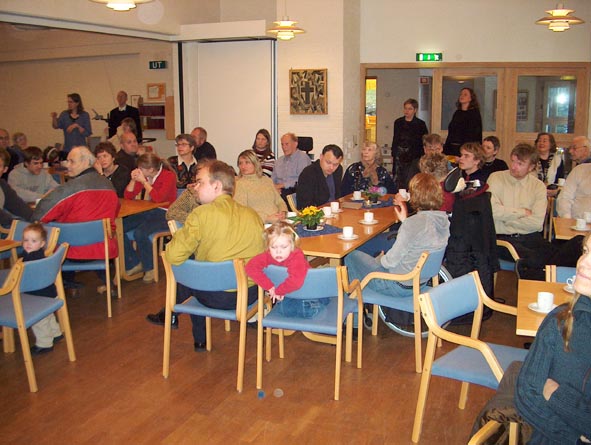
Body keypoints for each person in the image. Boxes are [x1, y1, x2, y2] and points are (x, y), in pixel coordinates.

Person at [146, 160, 264, 350]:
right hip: (249, 294)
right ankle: (176, 319)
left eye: (200, 182)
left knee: (191, 271)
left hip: (215, 296)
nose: (195, 187)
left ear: (216, 186)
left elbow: (172, 256)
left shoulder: (200, 214)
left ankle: (187, 327)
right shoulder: (253, 215)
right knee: (197, 270)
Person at [515, 233, 591, 445]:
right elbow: (527, 392)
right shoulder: (562, 321)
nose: (582, 262)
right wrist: (574, 438)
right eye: (585, 251)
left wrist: (557, 395)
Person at [345, 173, 450, 300]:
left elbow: (390, 262)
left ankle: (355, 305)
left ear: (414, 196)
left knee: (351, 255)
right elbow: (423, 238)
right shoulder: (443, 220)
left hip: (397, 285)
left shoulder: (414, 223)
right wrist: (405, 222)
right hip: (420, 282)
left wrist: (379, 259)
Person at [32, 146, 120, 290]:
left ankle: (49, 285)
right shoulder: (108, 185)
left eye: (72, 161)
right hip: (103, 248)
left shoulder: (70, 188)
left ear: (85, 162)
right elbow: (115, 211)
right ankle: (107, 281)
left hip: (71, 250)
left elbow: (40, 214)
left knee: (40, 231)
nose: (68, 165)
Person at [488, 143, 555, 280]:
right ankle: (529, 286)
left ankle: (532, 284)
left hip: (530, 237)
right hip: (502, 238)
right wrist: (523, 212)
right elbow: (492, 212)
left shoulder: (538, 186)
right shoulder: (496, 178)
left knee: (557, 255)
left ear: (531, 167)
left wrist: (505, 217)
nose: (513, 166)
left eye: (520, 164)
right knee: (536, 259)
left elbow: (537, 224)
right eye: (513, 161)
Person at [445, 142, 499, 298]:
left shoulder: (480, 183)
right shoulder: (458, 177)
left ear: (477, 161)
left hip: (474, 239)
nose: (461, 158)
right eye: (461, 155)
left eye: (466, 156)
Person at [245, 222, 325, 318]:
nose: (278, 251)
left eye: (284, 247)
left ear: (292, 245)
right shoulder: (268, 255)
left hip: (309, 290)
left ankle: (321, 301)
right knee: (285, 310)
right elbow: (250, 267)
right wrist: (269, 286)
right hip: (289, 292)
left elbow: (295, 282)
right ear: (268, 246)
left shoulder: (296, 256)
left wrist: (278, 291)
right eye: (273, 247)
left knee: (305, 309)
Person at [122, 152, 177, 282]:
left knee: (140, 233)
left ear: (151, 169)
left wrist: (144, 182)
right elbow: (128, 196)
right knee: (120, 227)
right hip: (150, 210)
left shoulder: (168, 176)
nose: (139, 171)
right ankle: (134, 263)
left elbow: (159, 198)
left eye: (141, 168)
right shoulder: (146, 176)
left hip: (166, 214)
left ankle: (150, 268)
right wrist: (133, 180)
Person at [21, 223, 63, 355]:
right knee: (48, 316)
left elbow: (25, 279)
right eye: (26, 240)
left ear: (42, 243)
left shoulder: (30, 259)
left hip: (38, 296)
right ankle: (56, 333)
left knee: (39, 320)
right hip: (50, 293)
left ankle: (44, 344)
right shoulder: (40, 255)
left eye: (33, 241)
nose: (28, 243)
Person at [234, 150, 287, 223]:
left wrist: (283, 212)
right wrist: (267, 218)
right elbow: (242, 212)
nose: (243, 166)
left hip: (277, 221)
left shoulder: (267, 180)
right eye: (240, 163)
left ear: (255, 164)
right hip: (258, 224)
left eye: (247, 162)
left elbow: (280, 201)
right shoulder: (239, 184)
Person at [391, 98, 428, 188]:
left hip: (414, 155)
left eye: (410, 109)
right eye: (405, 108)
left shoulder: (420, 124)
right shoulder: (398, 122)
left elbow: (424, 141)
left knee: (411, 177)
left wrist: (423, 156)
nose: (407, 111)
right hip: (399, 154)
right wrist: (393, 154)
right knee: (398, 177)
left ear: (415, 110)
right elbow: (395, 139)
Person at [296, 144, 344, 209]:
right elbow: (305, 204)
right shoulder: (308, 173)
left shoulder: (338, 170)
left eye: (335, 164)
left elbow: (337, 195)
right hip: (316, 211)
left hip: (334, 210)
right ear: (321, 157)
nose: (331, 167)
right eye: (328, 162)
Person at [272, 132, 311, 201]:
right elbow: (272, 179)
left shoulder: (303, 159)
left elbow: (302, 181)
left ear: (295, 144)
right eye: (282, 144)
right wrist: (273, 188)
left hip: (294, 191)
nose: (284, 147)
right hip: (277, 191)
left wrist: (282, 185)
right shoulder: (279, 161)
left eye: (287, 144)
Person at [444, 87, 482, 157]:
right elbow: (451, 132)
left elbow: (473, 134)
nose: (462, 96)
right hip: (452, 147)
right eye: (461, 94)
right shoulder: (457, 113)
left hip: (466, 148)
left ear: (470, 98)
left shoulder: (474, 113)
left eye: (465, 94)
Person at [0, 148, 34, 227]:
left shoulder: (3, 185)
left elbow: (19, 206)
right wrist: (18, 224)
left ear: (5, 169)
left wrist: (37, 220)